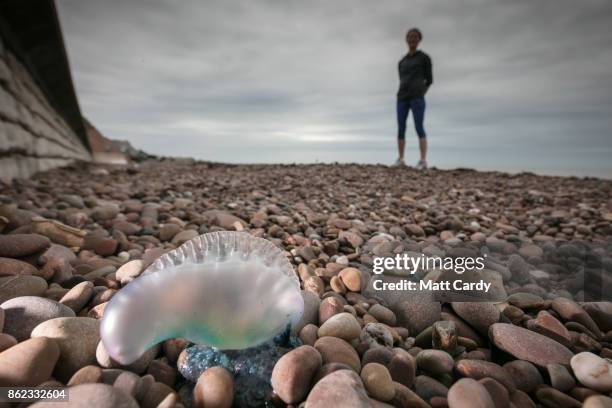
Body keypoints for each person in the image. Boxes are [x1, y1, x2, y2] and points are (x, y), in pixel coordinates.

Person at [394, 27, 433, 169]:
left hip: (417, 98)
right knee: (401, 128)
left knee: (419, 126)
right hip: (402, 97)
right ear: (406, 39)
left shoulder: (424, 58)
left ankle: (422, 160)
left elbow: (429, 80)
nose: (412, 39)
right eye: (410, 36)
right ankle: (401, 159)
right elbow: (401, 79)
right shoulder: (402, 62)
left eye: (415, 37)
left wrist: (421, 93)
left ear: (419, 40)